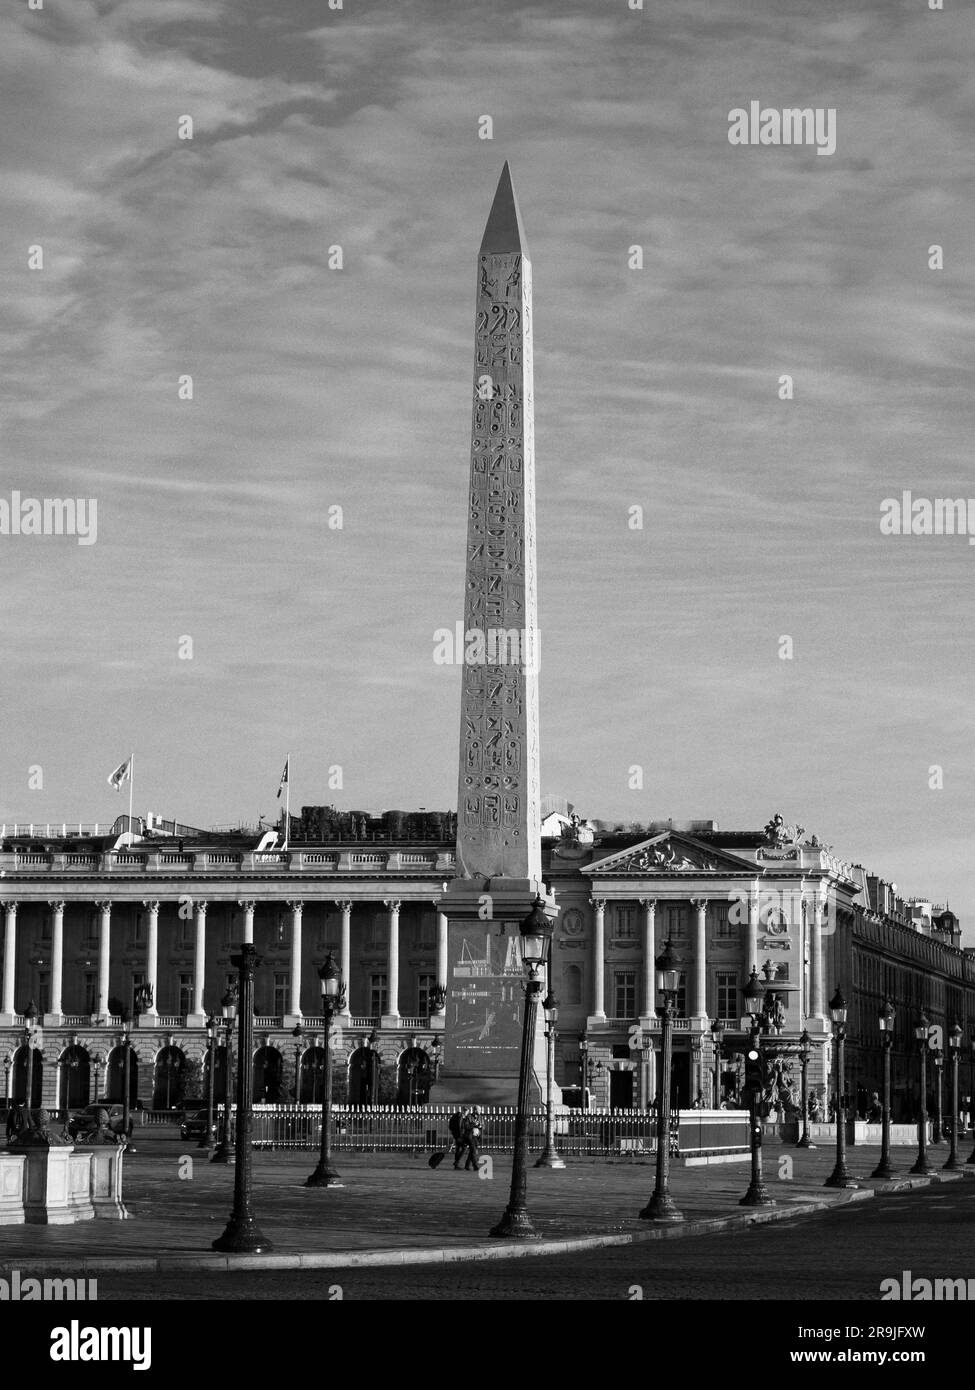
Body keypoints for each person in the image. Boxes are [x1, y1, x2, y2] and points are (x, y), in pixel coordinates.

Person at [463, 1106, 481, 1172]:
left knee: (472, 1151)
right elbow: (466, 1126)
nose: (480, 1111)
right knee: (473, 1151)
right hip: (470, 1136)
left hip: (476, 1136)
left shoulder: (480, 1117)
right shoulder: (469, 1117)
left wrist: (479, 1126)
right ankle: (475, 1166)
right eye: (479, 1110)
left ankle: (467, 1165)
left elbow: (483, 1125)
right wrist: (473, 1124)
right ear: (475, 1110)